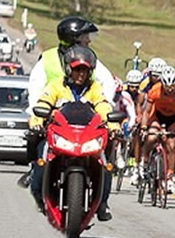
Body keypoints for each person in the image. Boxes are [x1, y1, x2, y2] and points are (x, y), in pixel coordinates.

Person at [28, 46, 118, 220]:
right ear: (69, 69)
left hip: (87, 138)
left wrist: (114, 125)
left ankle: (102, 203)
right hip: (61, 135)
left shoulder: (94, 88)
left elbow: (103, 105)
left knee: (106, 165)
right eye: (77, 70)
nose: (81, 74)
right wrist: (37, 122)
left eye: (85, 70)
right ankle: (39, 193)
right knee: (41, 160)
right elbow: (44, 103)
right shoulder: (56, 86)